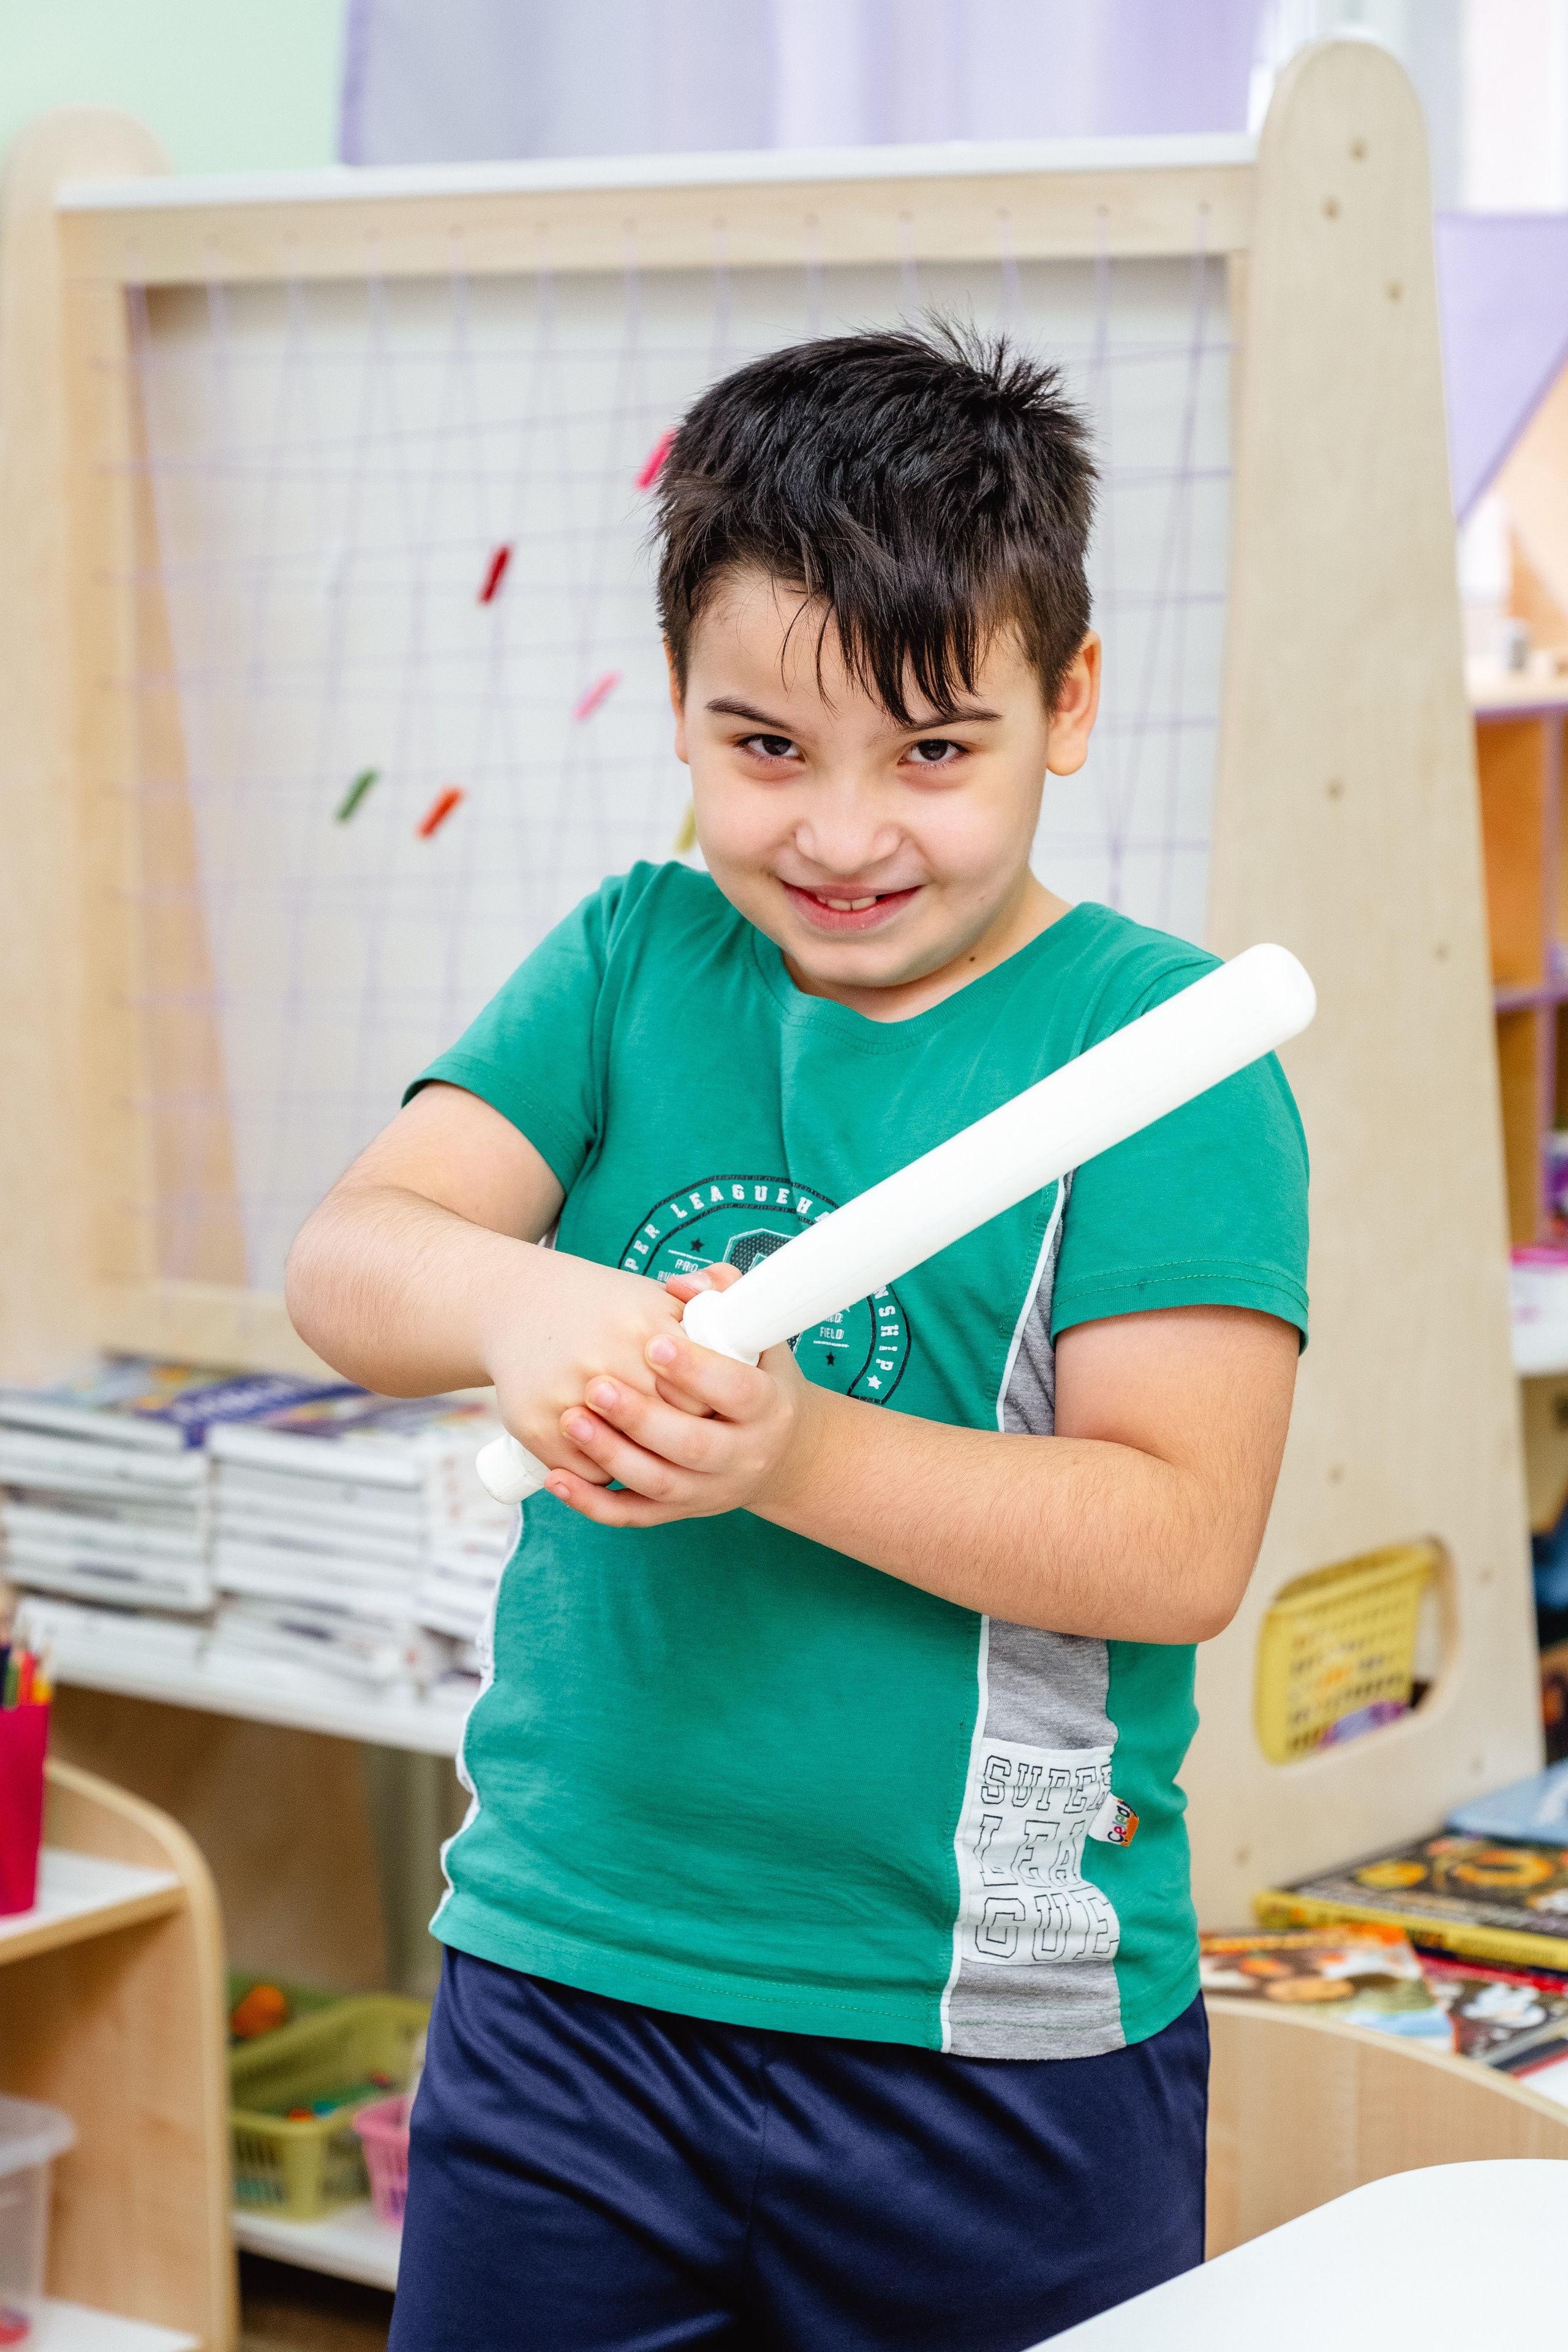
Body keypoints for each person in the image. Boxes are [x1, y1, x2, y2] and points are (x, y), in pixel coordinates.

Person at [286, 323, 1308, 2351]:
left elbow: (1177, 1545)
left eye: (932, 753)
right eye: (766, 749)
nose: (843, 837)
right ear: (679, 703)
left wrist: (793, 1454)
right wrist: (523, 1298)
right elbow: (353, 1264)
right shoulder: (629, 959)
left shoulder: (1164, 1056)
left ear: (1067, 705)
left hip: (989, 2039)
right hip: (565, 1980)